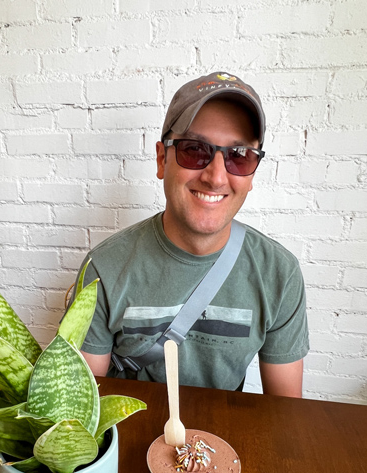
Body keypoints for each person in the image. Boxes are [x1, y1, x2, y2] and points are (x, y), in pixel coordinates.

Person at [72, 72, 309, 397]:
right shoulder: (103, 269)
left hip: (222, 441)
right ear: (161, 159)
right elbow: (82, 404)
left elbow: (285, 413)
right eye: (195, 150)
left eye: (239, 156)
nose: (215, 177)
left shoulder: (279, 273)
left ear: (253, 173)